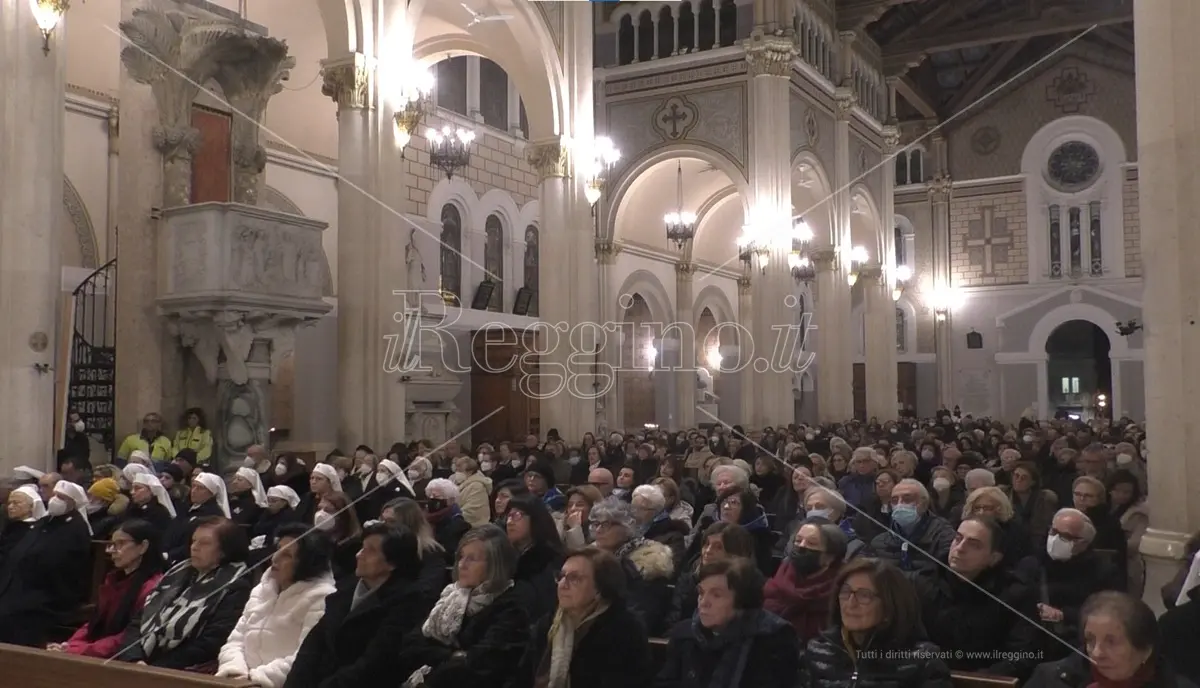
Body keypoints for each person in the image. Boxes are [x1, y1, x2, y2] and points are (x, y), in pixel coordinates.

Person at [285, 523, 436, 688]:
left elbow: (375, 663)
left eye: (370, 550)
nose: (359, 555)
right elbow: (312, 646)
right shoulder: (345, 590)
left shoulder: (408, 601)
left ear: (392, 562)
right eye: (362, 548)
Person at [396, 524, 529, 688]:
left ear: (495, 565)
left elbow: (476, 668)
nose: (462, 564)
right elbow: (410, 647)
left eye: (472, 559)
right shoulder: (450, 595)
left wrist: (436, 655)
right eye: (461, 557)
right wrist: (453, 655)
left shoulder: (511, 609)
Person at [909, 516, 1040, 680]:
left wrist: (974, 680)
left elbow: (1022, 656)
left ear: (994, 558)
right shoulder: (922, 582)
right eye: (958, 539)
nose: (960, 548)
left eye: (974, 545)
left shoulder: (1016, 593)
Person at [114, 516, 254, 669]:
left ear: (225, 550)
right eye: (193, 541)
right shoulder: (177, 573)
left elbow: (211, 642)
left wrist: (156, 668)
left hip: (183, 669)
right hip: (142, 662)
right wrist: (133, 658)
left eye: (205, 543)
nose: (194, 547)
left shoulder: (236, 585)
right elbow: (139, 620)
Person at [801, 558, 953, 688]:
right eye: (846, 592)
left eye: (864, 595)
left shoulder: (923, 660)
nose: (850, 603)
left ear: (889, 606)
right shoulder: (818, 651)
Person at [217, 524, 337, 688]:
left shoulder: (323, 597)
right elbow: (235, 640)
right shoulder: (261, 590)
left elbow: (306, 657)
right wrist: (235, 671)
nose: (275, 558)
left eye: (287, 555)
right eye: (278, 549)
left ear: (307, 563)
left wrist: (257, 679)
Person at [515, 547, 653, 688]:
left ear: (600, 588)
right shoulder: (548, 623)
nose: (563, 585)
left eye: (574, 578)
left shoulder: (625, 629)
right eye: (561, 576)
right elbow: (521, 678)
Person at [656, 557, 798, 688]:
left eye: (716, 595)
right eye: (701, 593)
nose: (703, 602)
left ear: (742, 601)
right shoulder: (685, 634)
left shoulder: (775, 638)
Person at [1027, 591, 1197, 688]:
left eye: (1111, 642)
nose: (1097, 653)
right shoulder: (1049, 680)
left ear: (1145, 650)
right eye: (1090, 640)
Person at [0, 480, 92, 646]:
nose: (55, 500)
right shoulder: (46, 521)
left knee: (12, 614)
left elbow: (64, 566)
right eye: (54, 495)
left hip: (50, 590)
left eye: (61, 497)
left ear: (72, 502)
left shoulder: (76, 527)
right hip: (24, 584)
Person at [56, 519, 165, 657]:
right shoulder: (113, 580)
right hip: (94, 650)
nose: (111, 550)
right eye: (112, 544)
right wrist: (70, 645)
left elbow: (129, 636)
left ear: (143, 546)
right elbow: (94, 622)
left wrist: (80, 650)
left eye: (121, 543)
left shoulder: (153, 587)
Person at [763, 519, 847, 641]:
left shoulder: (842, 590)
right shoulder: (780, 576)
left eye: (812, 543)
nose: (802, 546)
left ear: (830, 556)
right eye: (798, 540)